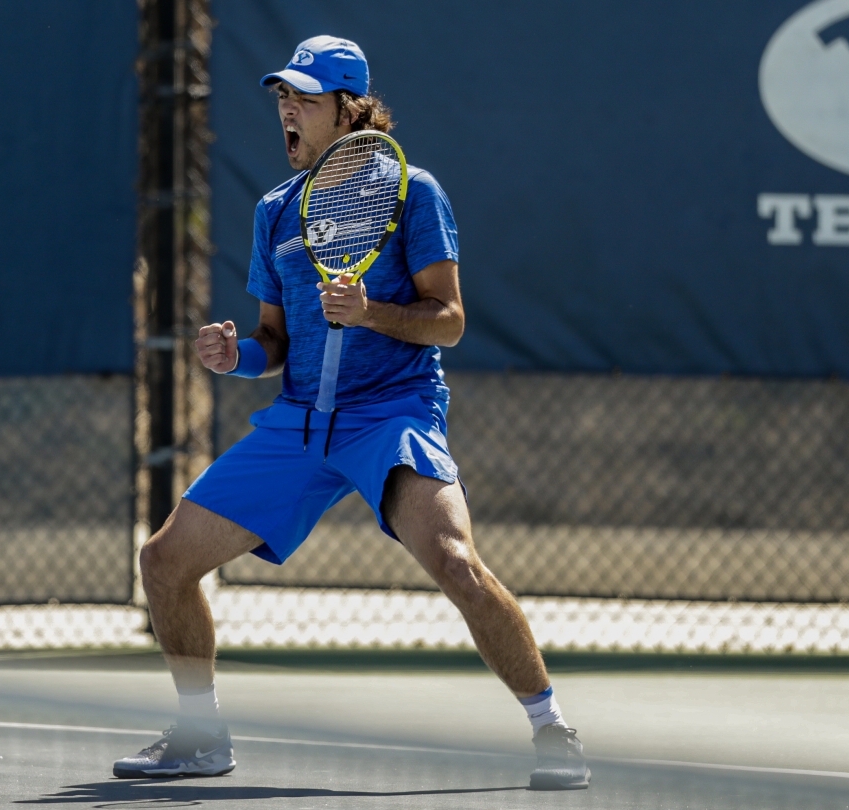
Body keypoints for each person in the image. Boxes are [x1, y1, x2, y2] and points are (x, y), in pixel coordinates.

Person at [112, 35, 590, 791]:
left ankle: (550, 727)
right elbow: (274, 341)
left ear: (349, 108)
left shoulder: (413, 192)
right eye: (280, 99)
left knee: (459, 565)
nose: (287, 112)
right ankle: (200, 737)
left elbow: (449, 319)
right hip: (302, 422)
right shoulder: (276, 212)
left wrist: (373, 314)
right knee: (163, 561)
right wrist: (234, 355)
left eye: (303, 99)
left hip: (393, 414)